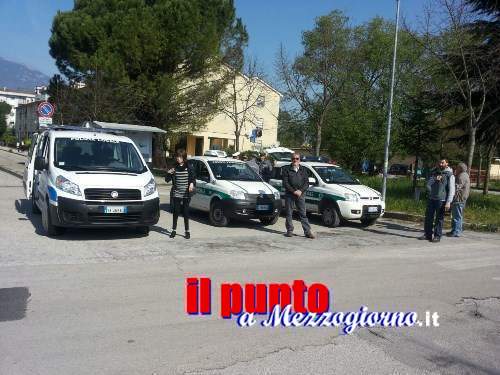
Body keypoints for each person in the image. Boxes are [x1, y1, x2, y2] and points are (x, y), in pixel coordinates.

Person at [421, 158, 455, 242]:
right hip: (431, 198)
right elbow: (428, 184)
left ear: (447, 163)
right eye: (439, 162)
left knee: (439, 218)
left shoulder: (450, 175)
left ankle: (437, 235)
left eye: (442, 162)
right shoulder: (434, 173)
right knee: (428, 217)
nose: (440, 164)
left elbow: (452, 189)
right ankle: (428, 234)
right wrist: (431, 187)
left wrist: (448, 202)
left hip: (442, 200)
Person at [282, 153, 315, 239]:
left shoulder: (303, 170)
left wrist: (300, 191)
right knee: (289, 213)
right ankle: (289, 231)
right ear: (291, 160)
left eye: (297, 159)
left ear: (299, 160)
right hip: (290, 194)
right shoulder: (286, 169)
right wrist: (294, 191)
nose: (295, 160)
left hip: (301, 194)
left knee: (303, 214)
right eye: (293, 159)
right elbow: (285, 183)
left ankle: (307, 232)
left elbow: (306, 183)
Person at [165, 149, 196, 239]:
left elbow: (193, 178)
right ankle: (174, 230)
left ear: (183, 157)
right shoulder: (174, 167)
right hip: (177, 193)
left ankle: (187, 231)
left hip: (186, 193)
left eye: (180, 157)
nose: (178, 158)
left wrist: (191, 183)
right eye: (177, 157)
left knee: (186, 212)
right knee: (176, 211)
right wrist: (168, 173)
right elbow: (167, 180)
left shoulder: (189, 166)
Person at [447, 162, 470, 237]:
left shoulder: (461, 176)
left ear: (460, 168)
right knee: (458, 215)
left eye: (457, 167)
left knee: (456, 216)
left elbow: (457, 187)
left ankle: (456, 231)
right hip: (461, 198)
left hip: (459, 198)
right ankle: (455, 230)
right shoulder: (465, 175)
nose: (456, 169)